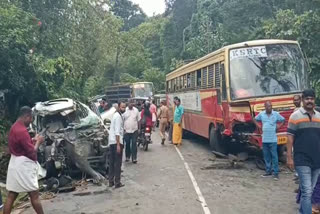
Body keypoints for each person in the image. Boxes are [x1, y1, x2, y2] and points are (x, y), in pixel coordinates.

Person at [4, 106, 45, 214]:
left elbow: (21, 144)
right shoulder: (22, 131)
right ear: (26, 116)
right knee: (34, 195)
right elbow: (32, 152)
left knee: (12, 194)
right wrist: (38, 142)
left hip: (15, 163)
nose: (31, 121)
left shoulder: (14, 127)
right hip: (23, 166)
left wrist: (31, 140)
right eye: (31, 118)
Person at [287, 89, 320, 214]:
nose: (309, 101)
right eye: (307, 98)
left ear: (314, 100)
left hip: (317, 159)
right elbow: (289, 138)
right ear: (302, 100)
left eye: (311, 98)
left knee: (310, 190)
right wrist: (289, 157)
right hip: (301, 159)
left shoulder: (319, 116)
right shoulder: (295, 116)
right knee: (307, 191)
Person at [253, 101, 285, 180]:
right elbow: (254, 119)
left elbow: (283, 120)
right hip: (265, 139)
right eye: (268, 106)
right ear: (265, 107)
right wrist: (259, 126)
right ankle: (268, 171)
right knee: (267, 156)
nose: (269, 108)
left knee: (274, 156)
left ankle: (276, 173)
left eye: (270, 106)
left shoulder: (276, 114)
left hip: (273, 139)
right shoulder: (262, 114)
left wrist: (278, 126)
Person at [108, 101, 126, 189]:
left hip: (111, 142)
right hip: (116, 142)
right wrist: (118, 144)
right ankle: (117, 182)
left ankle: (110, 181)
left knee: (111, 162)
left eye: (124, 107)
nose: (124, 109)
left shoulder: (115, 115)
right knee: (117, 163)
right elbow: (117, 132)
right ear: (118, 107)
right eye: (122, 107)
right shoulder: (118, 117)